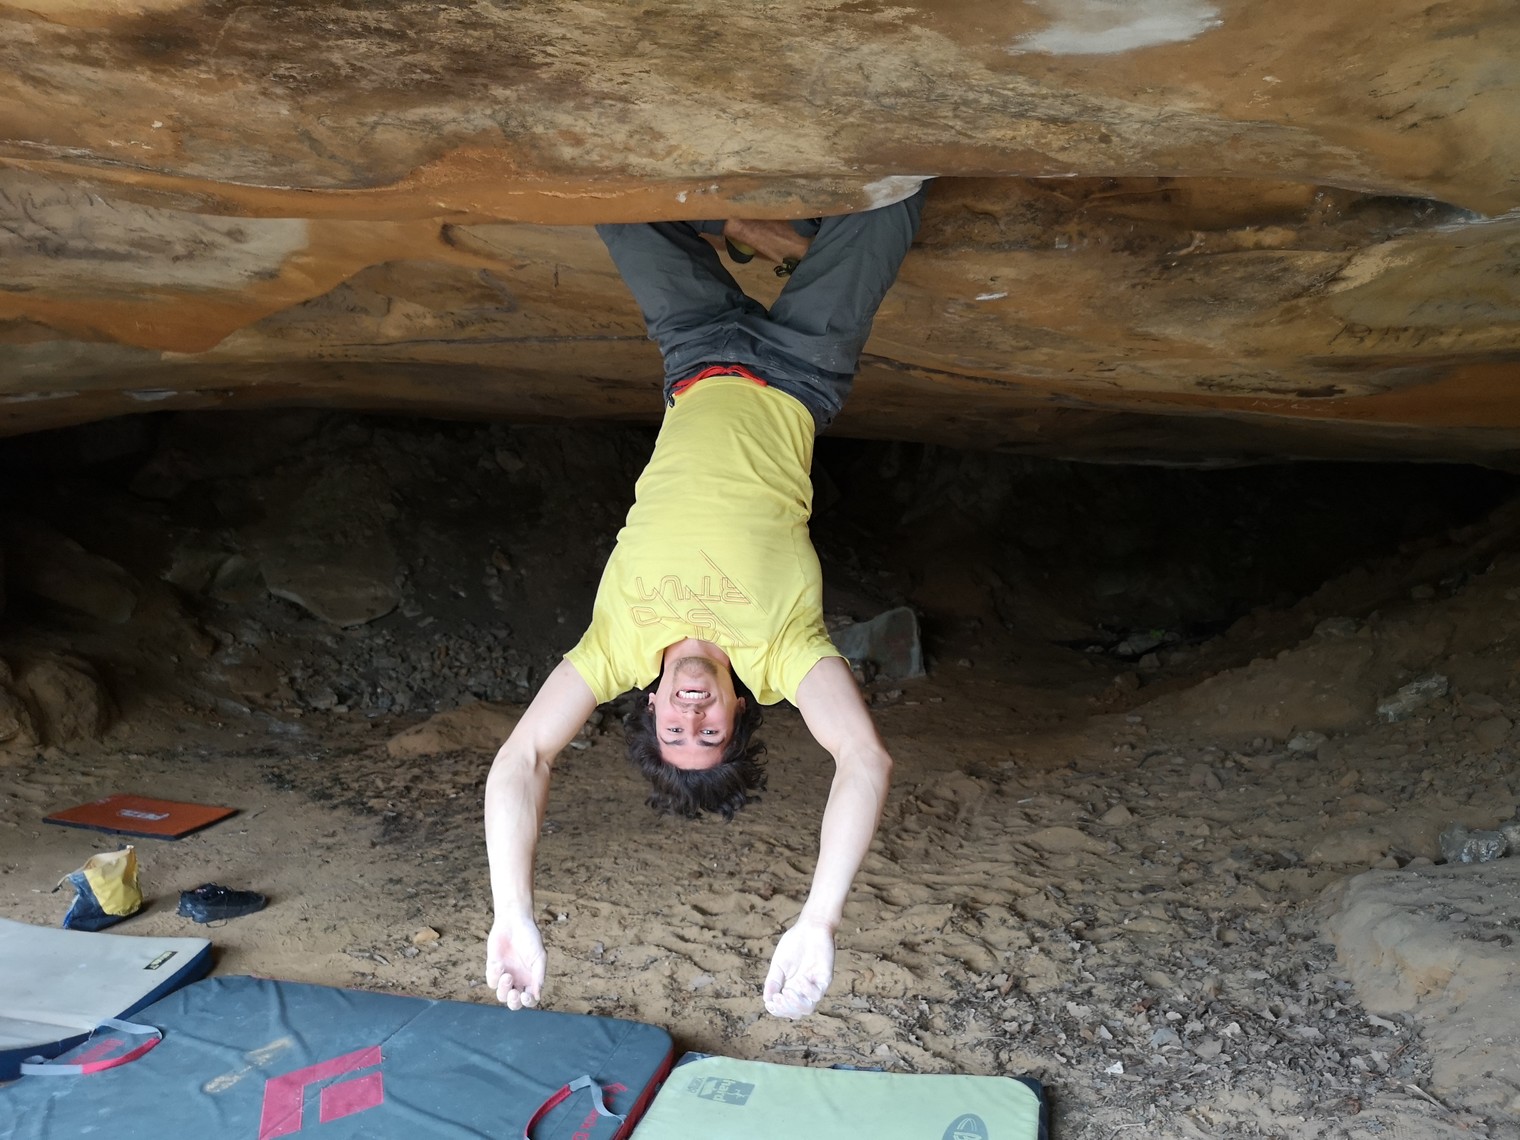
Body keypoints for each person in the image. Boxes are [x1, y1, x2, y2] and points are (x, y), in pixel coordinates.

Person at [483, 184, 928, 1020]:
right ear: (739, 709)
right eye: (711, 732)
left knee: (613, 190)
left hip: (693, 354)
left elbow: (524, 759)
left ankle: (744, 229)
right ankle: (797, 240)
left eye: (675, 731)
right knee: (895, 196)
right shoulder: (783, 653)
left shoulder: (614, 648)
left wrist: (512, 912)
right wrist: (818, 920)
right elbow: (864, 761)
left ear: (649, 707)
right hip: (801, 367)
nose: (691, 716)